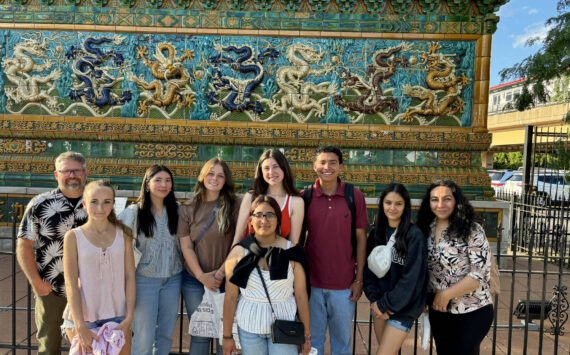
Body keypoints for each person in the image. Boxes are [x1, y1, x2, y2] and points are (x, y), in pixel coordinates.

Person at [16, 151, 89, 354]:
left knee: (91, 344)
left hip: (90, 288)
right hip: (52, 287)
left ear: (85, 173)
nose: (72, 175)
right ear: (57, 175)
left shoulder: (97, 202)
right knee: (49, 345)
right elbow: (24, 245)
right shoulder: (40, 204)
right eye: (66, 171)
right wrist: (36, 282)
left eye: (76, 170)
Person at [222, 195, 311, 355]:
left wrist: (306, 335)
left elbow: (301, 296)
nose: (264, 220)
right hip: (249, 327)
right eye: (258, 215)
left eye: (270, 214)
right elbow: (230, 297)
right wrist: (227, 336)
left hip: (284, 327)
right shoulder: (239, 252)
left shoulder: (292, 252)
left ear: (278, 219)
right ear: (250, 219)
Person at [303, 146, 369, 355]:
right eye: (322, 163)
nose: (327, 167)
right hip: (312, 284)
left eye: (332, 163)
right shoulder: (305, 197)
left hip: (343, 286)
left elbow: (361, 240)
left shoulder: (354, 195)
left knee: (342, 343)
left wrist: (359, 280)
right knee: (313, 343)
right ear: (315, 167)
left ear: (341, 166)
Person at [417, 180, 494, 355]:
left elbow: (479, 274)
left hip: (473, 308)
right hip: (440, 310)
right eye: (434, 199)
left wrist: (446, 294)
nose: (440, 204)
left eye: (447, 199)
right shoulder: (425, 230)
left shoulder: (472, 230)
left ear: (456, 201)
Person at [62, 180, 136, 354]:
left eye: (106, 202)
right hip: (83, 318)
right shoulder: (73, 237)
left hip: (119, 317)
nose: (100, 208)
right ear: (85, 203)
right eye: (94, 202)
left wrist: (129, 317)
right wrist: (80, 325)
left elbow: (130, 277)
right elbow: (70, 283)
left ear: (113, 204)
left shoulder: (124, 235)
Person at [117, 165, 183, 355]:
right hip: (144, 279)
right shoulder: (133, 213)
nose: (164, 185)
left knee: (165, 334)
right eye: (158, 180)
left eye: (167, 180)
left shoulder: (178, 211)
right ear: (147, 184)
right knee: (144, 335)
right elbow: (116, 241)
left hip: (173, 278)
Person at [177, 158, 240, 354]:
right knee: (200, 334)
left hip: (228, 279)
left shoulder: (235, 205)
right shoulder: (188, 207)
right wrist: (201, 276)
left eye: (220, 175)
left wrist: (221, 273)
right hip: (195, 280)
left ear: (226, 180)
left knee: (227, 333)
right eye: (211, 174)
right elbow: (186, 246)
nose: (215, 179)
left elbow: (239, 242)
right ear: (203, 176)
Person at [363, 183, 427, 355]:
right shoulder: (377, 233)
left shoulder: (414, 236)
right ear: (382, 204)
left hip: (402, 310)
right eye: (388, 202)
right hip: (379, 305)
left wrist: (386, 304)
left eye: (398, 203)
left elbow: (412, 279)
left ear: (405, 206)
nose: (392, 208)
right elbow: (368, 272)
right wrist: (376, 301)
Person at [232, 149, 304, 245]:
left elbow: (293, 243)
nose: (271, 172)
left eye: (275, 167)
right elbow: (238, 237)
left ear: (284, 169)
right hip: (249, 256)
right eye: (266, 168)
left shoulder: (296, 202)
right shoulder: (251, 197)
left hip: (278, 258)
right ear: (261, 172)